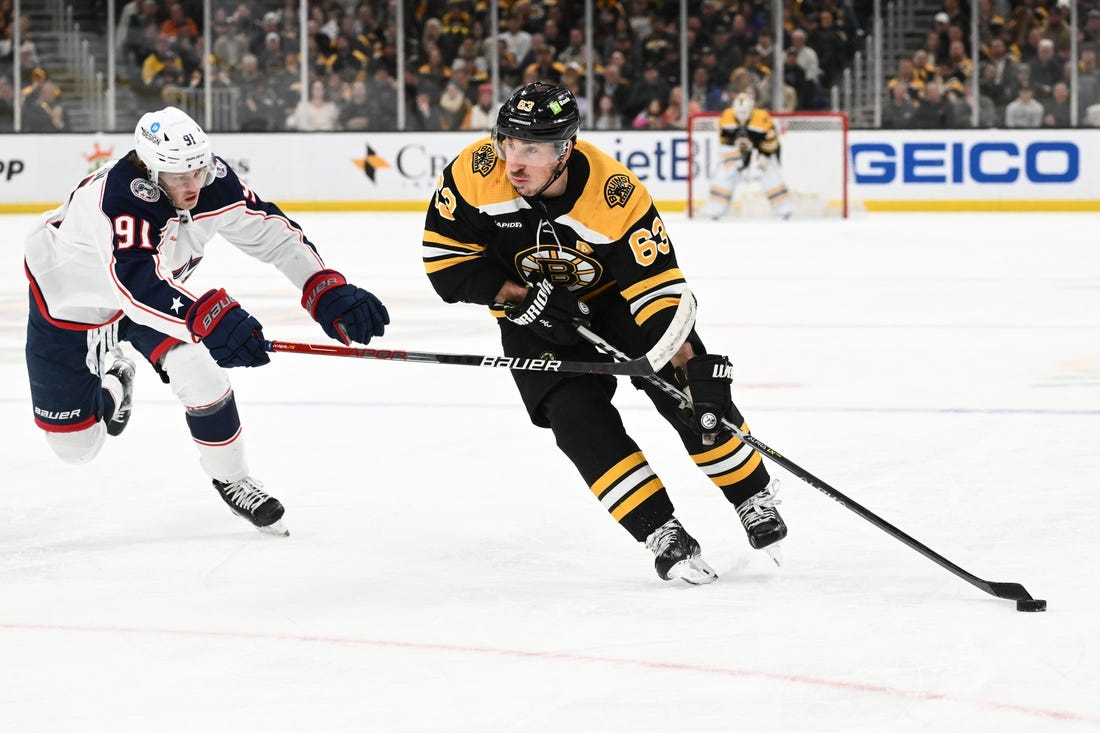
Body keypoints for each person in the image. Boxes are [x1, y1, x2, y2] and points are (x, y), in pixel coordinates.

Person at [421, 82, 786, 585]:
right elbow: (446, 265)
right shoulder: (474, 173)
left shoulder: (613, 195)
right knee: (575, 420)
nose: (513, 161)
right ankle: (660, 530)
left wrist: (689, 363)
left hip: (616, 304)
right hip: (530, 315)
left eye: (531, 148)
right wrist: (522, 299)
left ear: (565, 149)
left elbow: (656, 293)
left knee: (690, 398)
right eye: (507, 142)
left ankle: (751, 493)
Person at [24, 107, 389, 536]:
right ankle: (118, 378)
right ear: (149, 168)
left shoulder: (210, 179)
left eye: (197, 169)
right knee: (76, 448)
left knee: (200, 372)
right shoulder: (121, 201)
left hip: (153, 293)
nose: (193, 184)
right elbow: (134, 285)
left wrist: (321, 285)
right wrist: (207, 316)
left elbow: (269, 231)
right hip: (73, 302)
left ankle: (234, 480)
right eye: (179, 176)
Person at [700, 92, 793, 220]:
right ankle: (715, 209)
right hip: (737, 155)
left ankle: (784, 208)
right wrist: (735, 157)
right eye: (739, 111)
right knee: (723, 174)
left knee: (770, 175)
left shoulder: (762, 118)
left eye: (745, 111)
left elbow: (772, 144)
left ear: (751, 109)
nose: (742, 115)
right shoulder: (726, 117)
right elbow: (724, 144)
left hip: (759, 155)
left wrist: (756, 155)